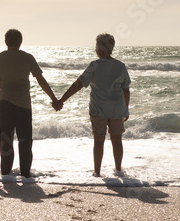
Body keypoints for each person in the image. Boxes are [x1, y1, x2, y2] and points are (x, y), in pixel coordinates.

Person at [0, 29, 61, 178]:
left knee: (6, 140)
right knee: (25, 140)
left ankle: (6, 173)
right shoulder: (27, 58)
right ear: (20, 42)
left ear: (6, 42)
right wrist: (54, 99)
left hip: (4, 103)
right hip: (23, 105)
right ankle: (26, 173)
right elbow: (41, 80)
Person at [56, 33, 131, 176]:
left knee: (98, 141)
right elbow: (126, 90)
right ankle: (119, 170)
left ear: (99, 48)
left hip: (98, 110)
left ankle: (97, 172)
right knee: (117, 140)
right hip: (117, 109)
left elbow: (78, 85)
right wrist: (126, 108)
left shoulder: (94, 66)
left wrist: (61, 100)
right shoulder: (120, 66)